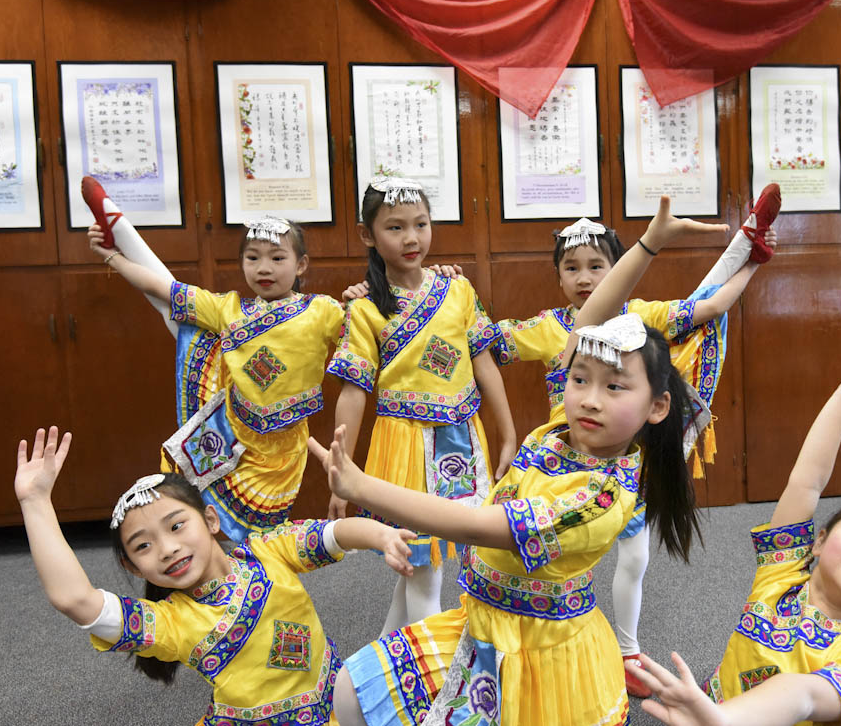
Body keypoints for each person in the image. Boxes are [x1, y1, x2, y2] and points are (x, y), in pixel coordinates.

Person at [309, 195, 729, 726]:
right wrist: (650, 244)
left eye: (615, 387)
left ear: (657, 405)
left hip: (534, 651)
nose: (590, 398)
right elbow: (591, 318)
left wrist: (361, 486)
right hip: (482, 618)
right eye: (579, 380)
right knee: (351, 691)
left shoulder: (600, 496)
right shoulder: (564, 432)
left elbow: (475, 523)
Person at [488, 184, 780, 696]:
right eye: (571, 267)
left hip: (624, 465)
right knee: (534, 562)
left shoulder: (643, 318)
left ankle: (626, 649)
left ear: (618, 266)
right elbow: (478, 343)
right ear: (556, 276)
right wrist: (507, 432)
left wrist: (753, 260)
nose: (584, 277)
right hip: (559, 468)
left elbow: (706, 308)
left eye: (597, 265)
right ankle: (523, 647)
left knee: (634, 557)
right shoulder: (548, 328)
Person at [14, 426, 416, 726]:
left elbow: (332, 535)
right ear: (133, 567)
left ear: (210, 519)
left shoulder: (265, 550)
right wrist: (34, 502)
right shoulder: (172, 622)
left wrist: (380, 535)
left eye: (175, 526)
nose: (167, 548)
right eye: (143, 546)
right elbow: (75, 599)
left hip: (335, 699)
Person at [633, 362, 841, 726]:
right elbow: (807, 481)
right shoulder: (783, 571)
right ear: (818, 542)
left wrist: (723, 721)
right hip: (704, 713)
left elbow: (802, 694)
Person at [325, 176, 518, 634]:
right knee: (423, 566)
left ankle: (385, 661)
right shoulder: (365, 307)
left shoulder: (458, 289)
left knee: (424, 567)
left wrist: (508, 433)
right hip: (405, 445)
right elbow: (353, 392)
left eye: (421, 224)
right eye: (395, 228)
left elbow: (484, 365)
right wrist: (342, 471)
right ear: (367, 235)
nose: (412, 238)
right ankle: (427, 689)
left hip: (464, 438)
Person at [88, 211, 345, 541]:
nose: (264, 268)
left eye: (277, 257)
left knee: (263, 534)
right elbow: (163, 288)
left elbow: (367, 329)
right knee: (197, 511)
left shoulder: (322, 311)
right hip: (228, 436)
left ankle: (255, 583)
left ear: (301, 265)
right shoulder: (227, 309)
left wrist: (362, 299)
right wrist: (112, 257)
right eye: (253, 258)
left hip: (283, 454)